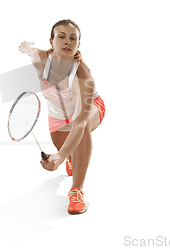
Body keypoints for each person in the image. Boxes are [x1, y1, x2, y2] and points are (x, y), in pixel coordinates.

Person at [18, 19, 105, 214]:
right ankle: (71, 157)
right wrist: (26, 47)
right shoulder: (40, 60)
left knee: (79, 131)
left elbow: (81, 123)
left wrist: (59, 156)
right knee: (68, 151)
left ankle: (76, 191)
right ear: (51, 41)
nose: (67, 41)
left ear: (78, 45)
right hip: (57, 114)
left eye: (73, 38)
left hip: (87, 111)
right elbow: (31, 50)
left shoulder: (83, 78)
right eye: (62, 36)